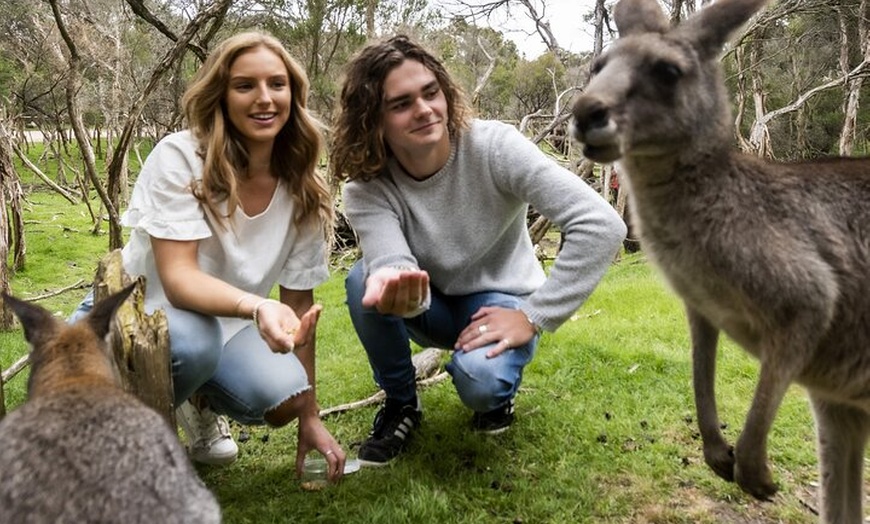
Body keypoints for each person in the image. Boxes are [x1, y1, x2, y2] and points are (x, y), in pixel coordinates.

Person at [329, 35, 627, 466]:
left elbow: (601, 224)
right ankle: (401, 404)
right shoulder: (367, 187)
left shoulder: (494, 147)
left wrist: (534, 314)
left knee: (482, 384)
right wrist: (390, 280)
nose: (425, 109)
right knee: (362, 279)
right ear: (373, 119)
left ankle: (493, 397)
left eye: (431, 93)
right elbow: (390, 258)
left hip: (499, 298)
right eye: (401, 103)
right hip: (427, 304)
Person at [69, 31, 346, 482]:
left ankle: (194, 400)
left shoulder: (304, 189)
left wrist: (309, 419)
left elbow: (300, 310)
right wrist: (258, 305)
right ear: (221, 94)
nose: (264, 98)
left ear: (294, 93)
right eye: (245, 86)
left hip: (225, 325)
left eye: (277, 84)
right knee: (194, 341)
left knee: (287, 393)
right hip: (141, 311)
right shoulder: (181, 157)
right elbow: (178, 280)